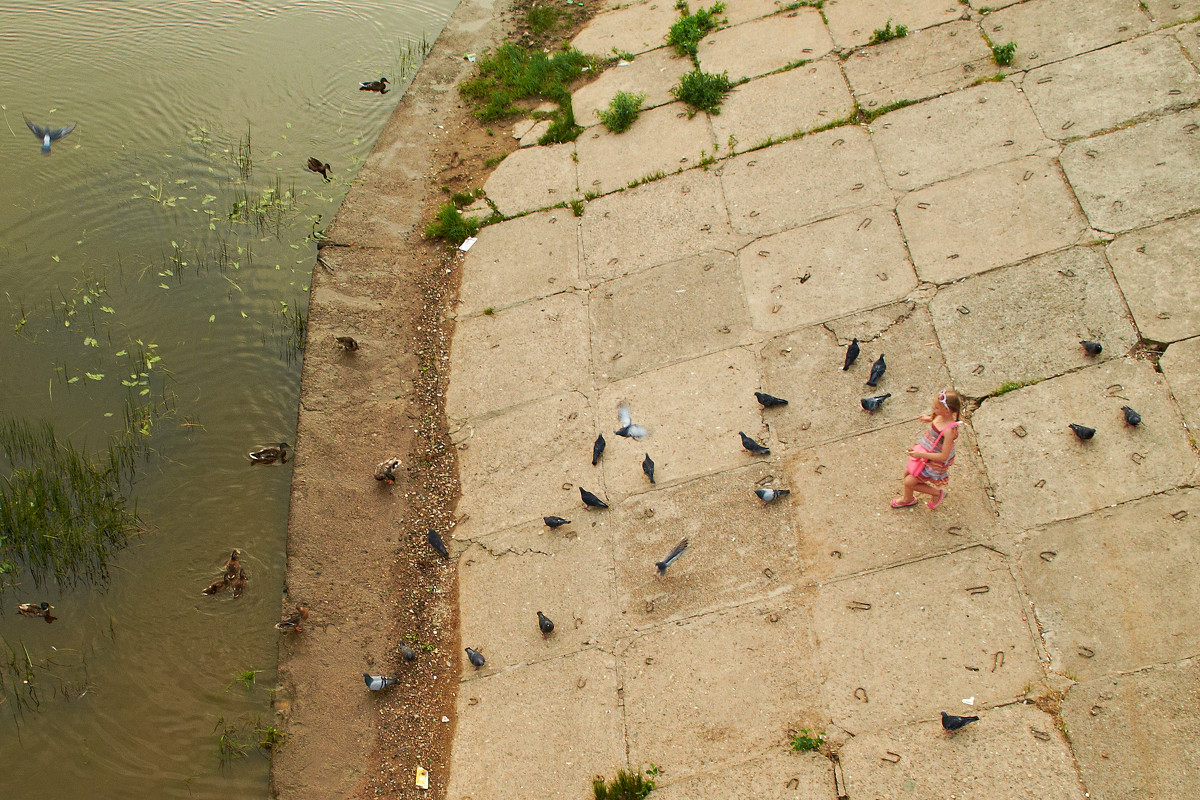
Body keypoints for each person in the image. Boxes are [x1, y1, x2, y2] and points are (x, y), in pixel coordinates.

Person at [891, 389, 962, 510]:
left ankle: (936, 493)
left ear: (947, 411)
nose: (933, 409)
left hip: (932, 460)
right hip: (926, 452)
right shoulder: (940, 416)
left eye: (936, 408)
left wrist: (919, 454)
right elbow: (936, 418)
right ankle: (908, 498)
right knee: (908, 473)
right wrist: (930, 418)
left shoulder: (949, 431)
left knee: (909, 481)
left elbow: (944, 456)